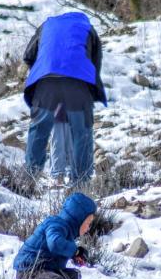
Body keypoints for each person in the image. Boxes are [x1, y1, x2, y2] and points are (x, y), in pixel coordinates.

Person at [23, 11, 106, 185]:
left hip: (46, 81)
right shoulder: (88, 29)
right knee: (82, 132)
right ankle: (80, 182)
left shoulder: (46, 26)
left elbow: (28, 56)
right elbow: (95, 64)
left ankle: (29, 179)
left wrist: (42, 70)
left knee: (39, 129)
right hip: (78, 83)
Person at [13, 192, 96, 279]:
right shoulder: (56, 224)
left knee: (73, 275)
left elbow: (59, 251)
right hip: (28, 271)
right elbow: (55, 243)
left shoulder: (67, 230)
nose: (89, 228)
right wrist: (75, 251)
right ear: (78, 219)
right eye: (88, 223)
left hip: (46, 268)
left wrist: (75, 255)